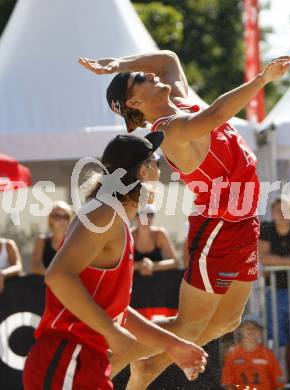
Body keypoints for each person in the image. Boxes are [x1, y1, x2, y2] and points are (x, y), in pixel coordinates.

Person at [79, 50, 290, 388]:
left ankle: (149, 366)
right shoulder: (172, 129)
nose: (151, 75)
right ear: (135, 101)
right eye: (141, 79)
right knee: (189, 326)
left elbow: (166, 59)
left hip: (244, 221)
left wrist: (119, 65)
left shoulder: (180, 103)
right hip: (218, 229)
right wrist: (263, 80)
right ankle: (107, 363)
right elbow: (220, 112)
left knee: (227, 321)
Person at [23, 132, 207, 390]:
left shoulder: (112, 215)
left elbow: (115, 310)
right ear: (142, 172)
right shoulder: (105, 213)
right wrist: (113, 333)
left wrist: (171, 345)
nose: (160, 169)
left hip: (80, 360)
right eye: (155, 162)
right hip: (67, 358)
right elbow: (57, 276)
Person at [259, 198, 290, 378]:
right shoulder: (266, 228)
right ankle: (278, 378)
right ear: (272, 214)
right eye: (278, 211)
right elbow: (263, 258)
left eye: (286, 210)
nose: (282, 214)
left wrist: (280, 261)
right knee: (276, 337)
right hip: (273, 290)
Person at [221, 314, 285, 390]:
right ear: (241, 330)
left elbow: (278, 383)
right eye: (248, 327)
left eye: (255, 328)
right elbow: (228, 384)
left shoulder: (268, 354)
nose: (251, 330)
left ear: (260, 332)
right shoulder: (232, 354)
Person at [31, 201, 72, 275]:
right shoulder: (42, 241)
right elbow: (35, 267)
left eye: (66, 217)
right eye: (57, 216)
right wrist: (54, 276)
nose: (62, 220)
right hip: (45, 285)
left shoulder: (74, 242)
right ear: (50, 219)